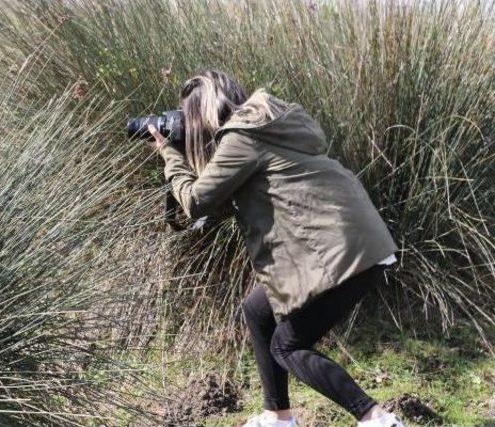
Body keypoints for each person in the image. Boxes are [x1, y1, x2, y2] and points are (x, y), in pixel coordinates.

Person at [146, 69, 407, 427]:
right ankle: (278, 417)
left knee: (288, 347)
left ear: (200, 113)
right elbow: (225, 202)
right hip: (356, 240)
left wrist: (169, 153)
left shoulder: (242, 139)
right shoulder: (267, 126)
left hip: (341, 252)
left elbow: (195, 201)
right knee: (257, 310)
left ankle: (375, 417)